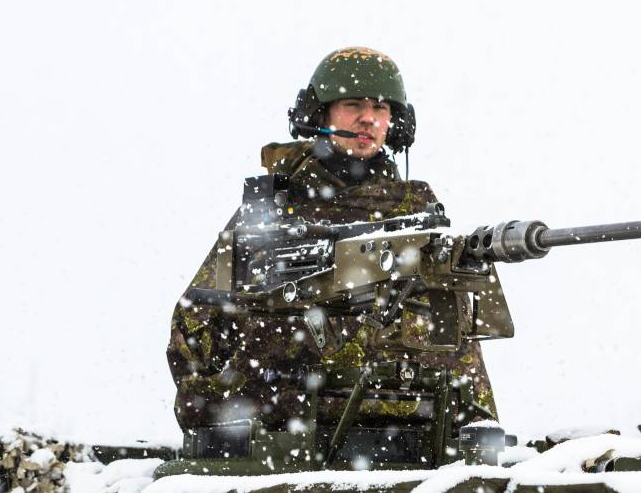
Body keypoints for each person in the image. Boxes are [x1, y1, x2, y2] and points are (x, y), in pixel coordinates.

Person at [165, 46, 496, 444]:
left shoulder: (416, 212)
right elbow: (195, 326)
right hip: (292, 441)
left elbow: (455, 336)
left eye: (381, 108)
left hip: (412, 434)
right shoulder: (274, 213)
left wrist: (480, 430)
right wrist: (233, 408)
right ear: (318, 114)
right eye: (352, 104)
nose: (368, 118)